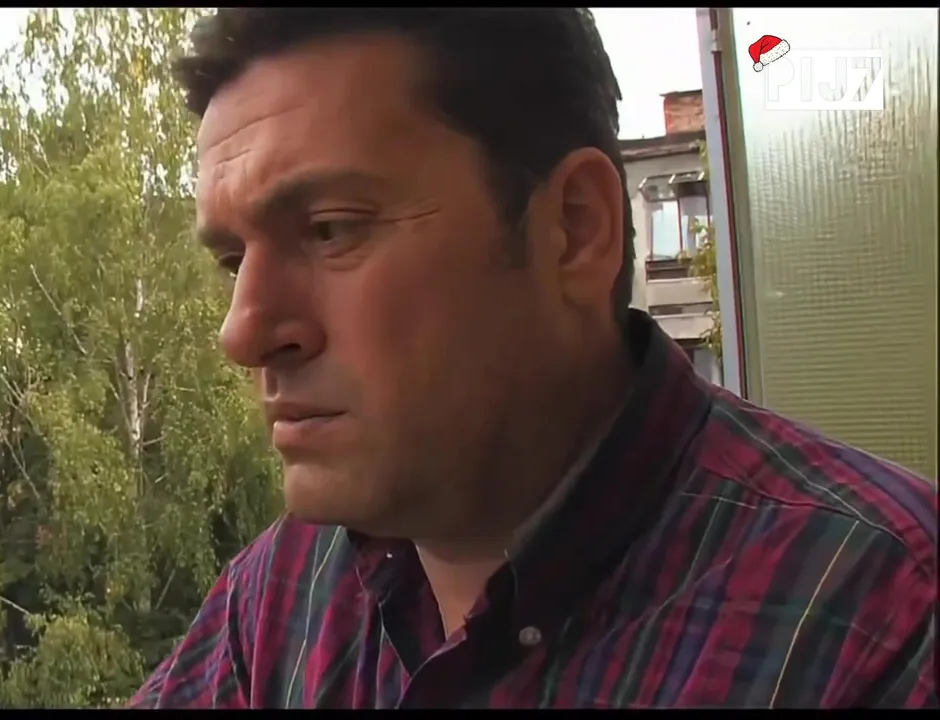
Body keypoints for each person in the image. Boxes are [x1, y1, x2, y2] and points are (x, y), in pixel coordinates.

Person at [129, 8, 937, 709]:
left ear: (574, 229)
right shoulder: (279, 598)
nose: (243, 333)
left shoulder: (883, 618)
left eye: (331, 229)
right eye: (233, 262)